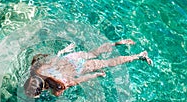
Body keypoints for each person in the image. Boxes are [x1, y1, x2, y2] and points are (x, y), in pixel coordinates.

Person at [24, 39, 152, 98]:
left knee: (107, 63)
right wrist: (64, 51)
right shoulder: (36, 69)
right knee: (93, 53)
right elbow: (51, 59)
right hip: (71, 58)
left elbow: (79, 80)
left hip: (79, 67)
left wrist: (95, 75)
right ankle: (117, 43)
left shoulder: (58, 87)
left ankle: (139, 56)